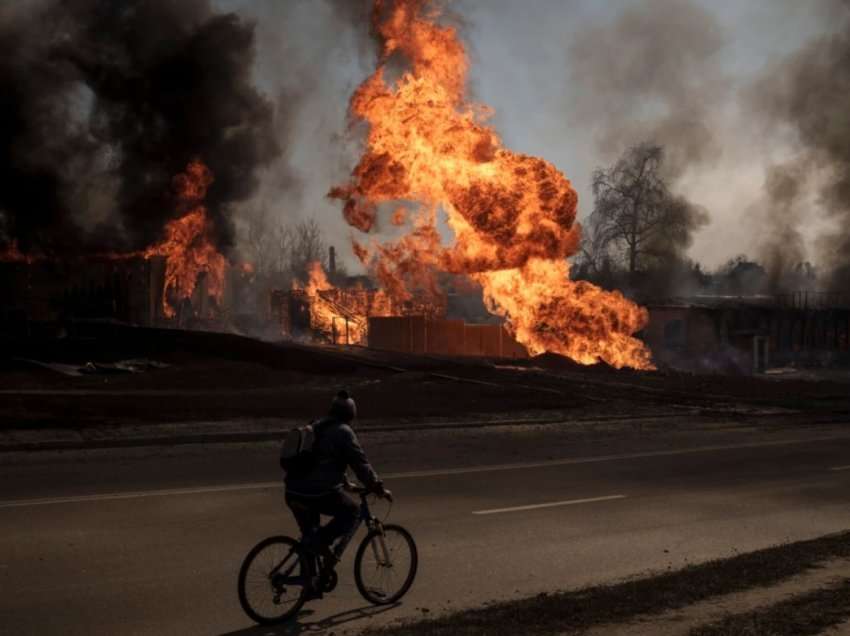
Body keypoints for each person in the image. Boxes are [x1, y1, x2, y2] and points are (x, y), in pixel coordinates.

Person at [284, 390, 391, 571]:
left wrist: (346, 483)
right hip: (316, 493)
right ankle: (318, 544)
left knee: (309, 534)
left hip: (292, 491)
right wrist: (377, 487)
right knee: (353, 512)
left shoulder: (317, 425)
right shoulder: (344, 432)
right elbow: (360, 463)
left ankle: (309, 583)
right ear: (350, 414)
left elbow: (324, 460)